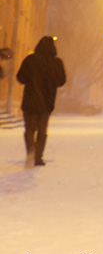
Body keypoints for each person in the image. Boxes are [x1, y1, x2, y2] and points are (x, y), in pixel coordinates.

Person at [16, 36, 66, 168]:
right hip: (47, 102)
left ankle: (31, 152)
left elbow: (20, 78)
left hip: (30, 101)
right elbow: (62, 81)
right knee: (42, 131)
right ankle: (38, 157)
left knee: (29, 130)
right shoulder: (57, 63)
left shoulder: (30, 60)